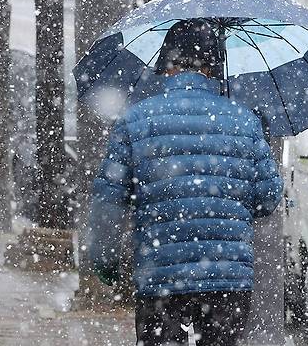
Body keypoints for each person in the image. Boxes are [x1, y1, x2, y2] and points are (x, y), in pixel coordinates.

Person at [87, 20, 284, 346]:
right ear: (214, 66)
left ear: (166, 65)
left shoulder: (135, 120)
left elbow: (109, 199)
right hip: (227, 279)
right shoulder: (245, 121)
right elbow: (267, 197)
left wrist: (105, 260)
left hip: (161, 276)